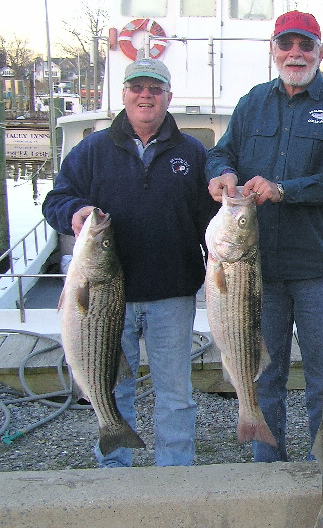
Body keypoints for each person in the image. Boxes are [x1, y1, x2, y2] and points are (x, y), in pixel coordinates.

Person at [205, 10, 323, 463]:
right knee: (262, 378)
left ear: (321, 51)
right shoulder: (252, 101)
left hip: (318, 270)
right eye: (286, 44)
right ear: (273, 50)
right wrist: (222, 174)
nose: (295, 54)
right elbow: (221, 153)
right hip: (256, 275)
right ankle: (266, 469)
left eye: (305, 45)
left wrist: (282, 189)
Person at [43, 57, 219, 467]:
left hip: (172, 295)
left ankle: (174, 474)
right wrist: (76, 212)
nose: (145, 95)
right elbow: (56, 200)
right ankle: (115, 471)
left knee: (175, 393)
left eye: (154, 89)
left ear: (168, 97)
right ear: (123, 94)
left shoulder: (192, 152)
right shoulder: (92, 149)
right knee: (112, 386)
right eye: (137, 87)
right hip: (104, 302)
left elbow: (208, 224)